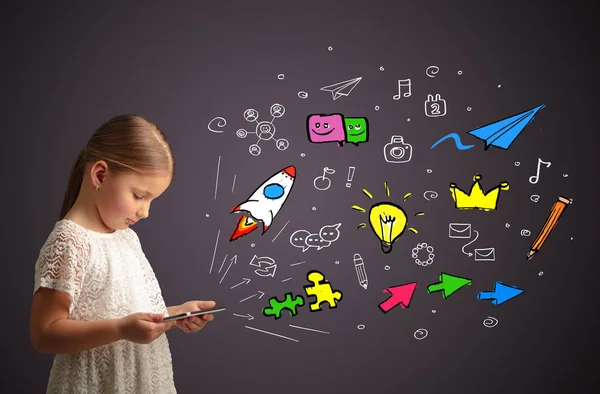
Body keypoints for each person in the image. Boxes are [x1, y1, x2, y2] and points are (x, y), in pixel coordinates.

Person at [29, 114, 216, 393]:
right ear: (100, 175)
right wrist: (120, 330)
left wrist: (175, 315)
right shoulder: (70, 242)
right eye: (139, 196)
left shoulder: (127, 238)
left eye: (152, 200)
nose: (145, 212)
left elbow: (126, 314)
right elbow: (44, 334)